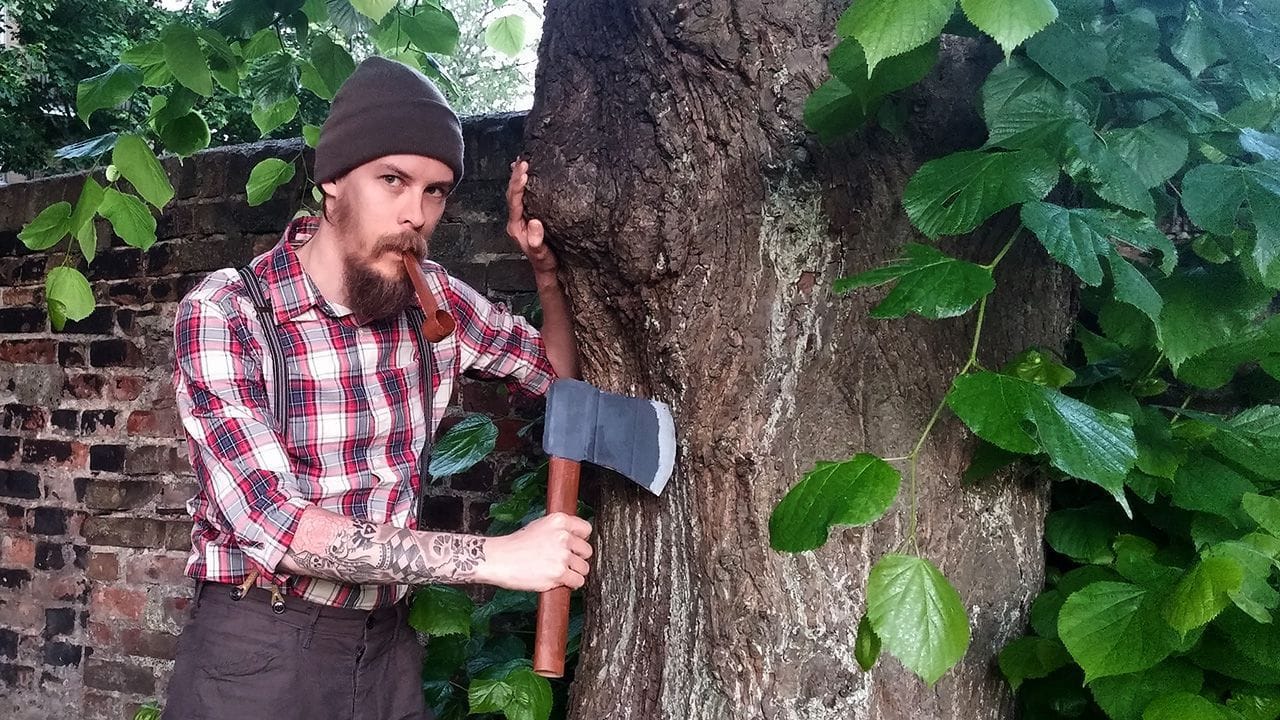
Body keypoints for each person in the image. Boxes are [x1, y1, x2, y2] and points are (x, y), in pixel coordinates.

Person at [162, 56, 591, 720]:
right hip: (259, 651)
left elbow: (559, 381)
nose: (416, 214)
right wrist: (495, 558)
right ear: (334, 181)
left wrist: (543, 271)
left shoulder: (435, 302)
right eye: (393, 180)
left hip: (387, 647)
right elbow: (277, 525)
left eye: (436, 191)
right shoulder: (229, 312)